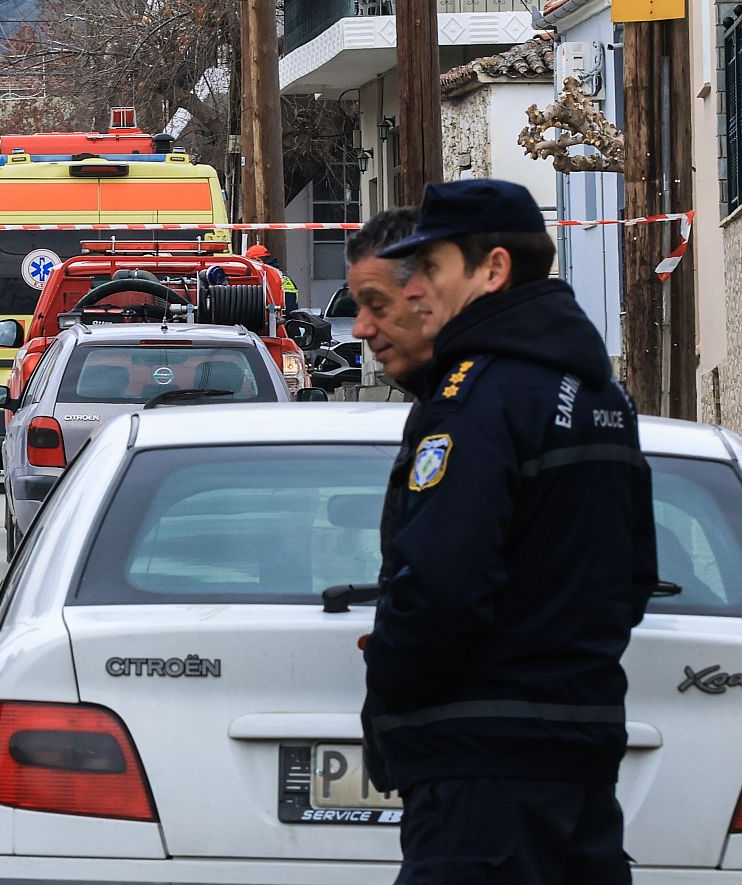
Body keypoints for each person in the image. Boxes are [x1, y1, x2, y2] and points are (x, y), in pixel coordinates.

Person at [361, 179, 658, 884]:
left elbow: (438, 585)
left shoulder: (477, 396)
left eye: (432, 268)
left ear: (493, 269)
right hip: (580, 752)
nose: (415, 292)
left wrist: (390, 699)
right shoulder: (598, 393)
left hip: (481, 772)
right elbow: (633, 575)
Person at [344, 207, 430, 385]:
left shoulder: (482, 401)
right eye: (359, 309)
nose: (359, 330)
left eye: (377, 306)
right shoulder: (439, 397)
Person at [244, 243, 299, 313]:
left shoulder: (264, 279)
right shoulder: (284, 278)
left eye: (249, 265)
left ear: (257, 260)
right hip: (288, 322)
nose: (248, 269)